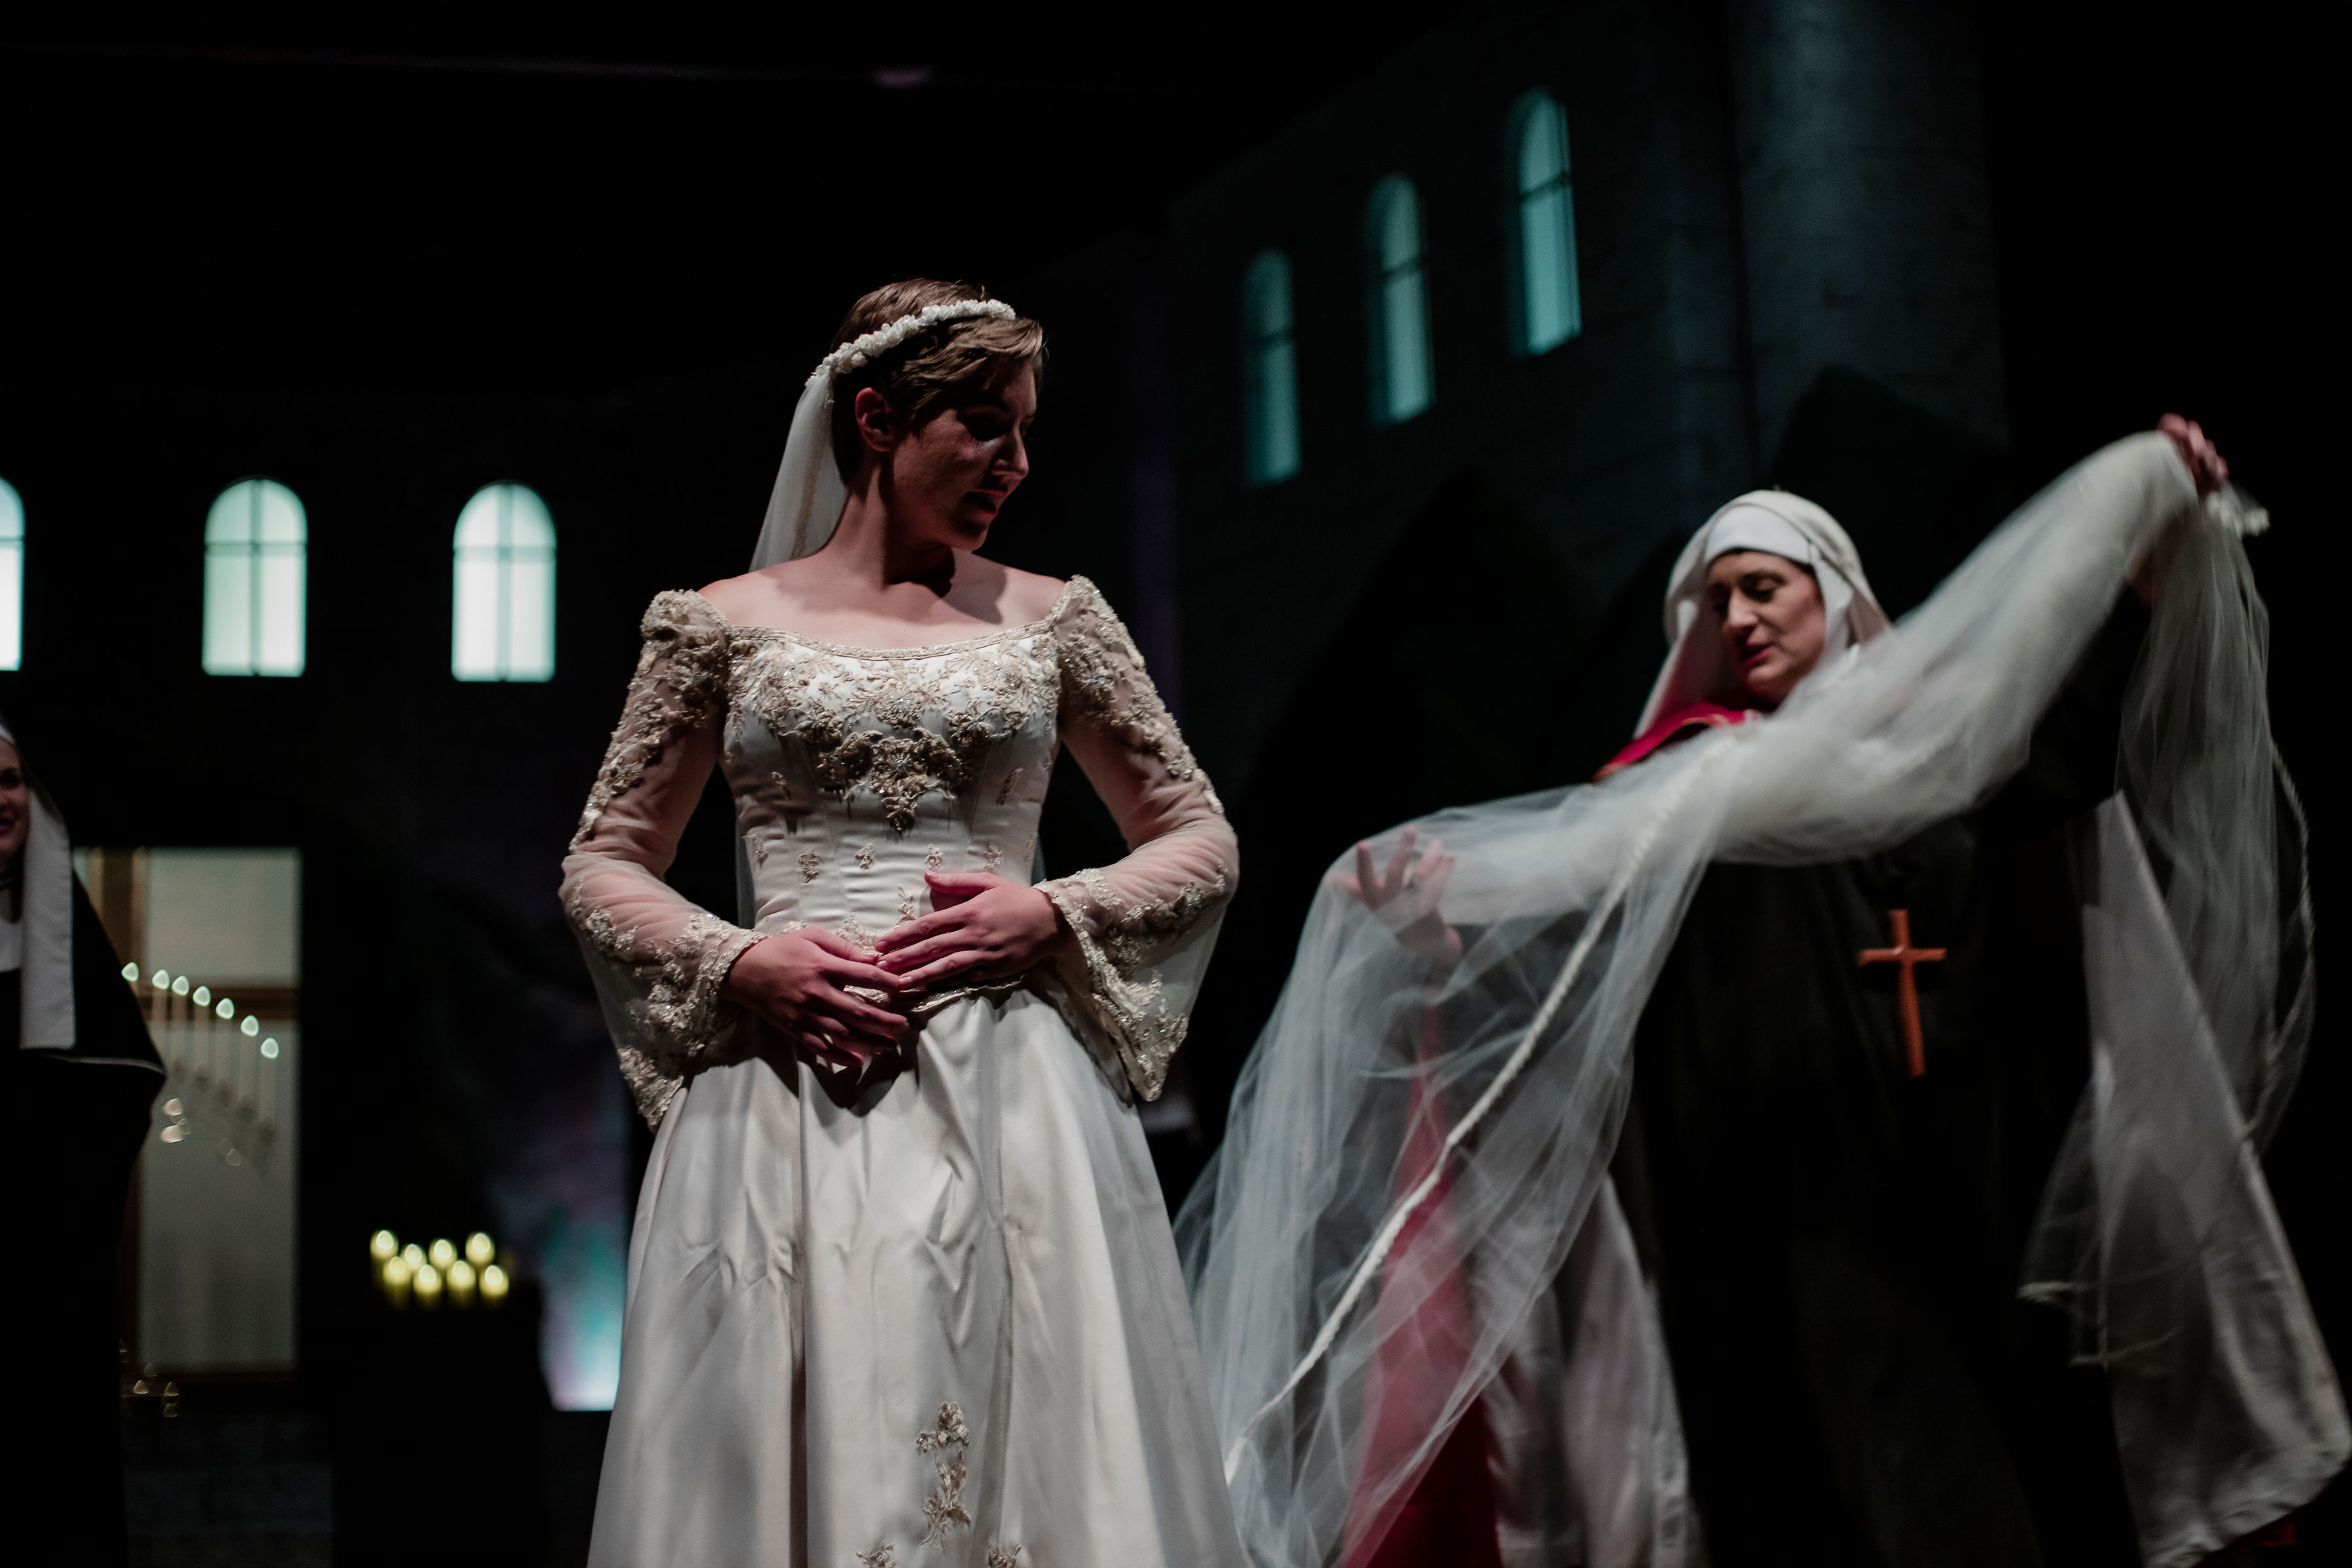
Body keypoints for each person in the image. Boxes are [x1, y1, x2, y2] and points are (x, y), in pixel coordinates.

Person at [1182, 422, 2341, 1568]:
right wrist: (1440, 935)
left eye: (1763, 587)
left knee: (1995, 1465)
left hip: (1963, 1185)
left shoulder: (1941, 754)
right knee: (1857, 1486)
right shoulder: (1679, 796)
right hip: (1780, 1214)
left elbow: (2075, 737)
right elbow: (1561, 959)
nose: (1738, 617)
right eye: (1718, 598)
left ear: (1832, 594)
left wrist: (2154, 536)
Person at [565, 281, 1246, 1565]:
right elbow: (607, 859)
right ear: (878, 419)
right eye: (984, 425)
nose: (1017, 461)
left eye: (1026, 430)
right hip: (790, 1096)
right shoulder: (721, 627)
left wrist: (1053, 914)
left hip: (1013, 1094)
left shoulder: (1053, 621)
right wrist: (742, 960)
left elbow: (1198, 836)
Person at [4, 717, 165, 1567]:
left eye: (10, 781)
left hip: (42, 1282)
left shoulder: (64, 931)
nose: (0, 800)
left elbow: (126, 1077)